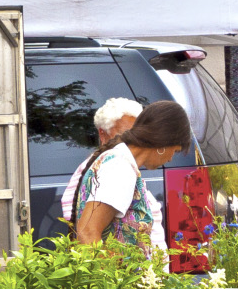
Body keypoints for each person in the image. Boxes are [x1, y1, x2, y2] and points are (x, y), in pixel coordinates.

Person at [72, 100, 192, 250]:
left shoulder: (122, 162)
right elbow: (87, 233)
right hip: (115, 273)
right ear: (163, 143)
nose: (170, 158)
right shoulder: (119, 167)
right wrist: (107, 272)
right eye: (174, 150)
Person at [61, 97, 141, 222]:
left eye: (137, 134)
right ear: (102, 135)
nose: (133, 141)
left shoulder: (123, 164)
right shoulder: (111, 166)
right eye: (125, 134)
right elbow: (85, 228)